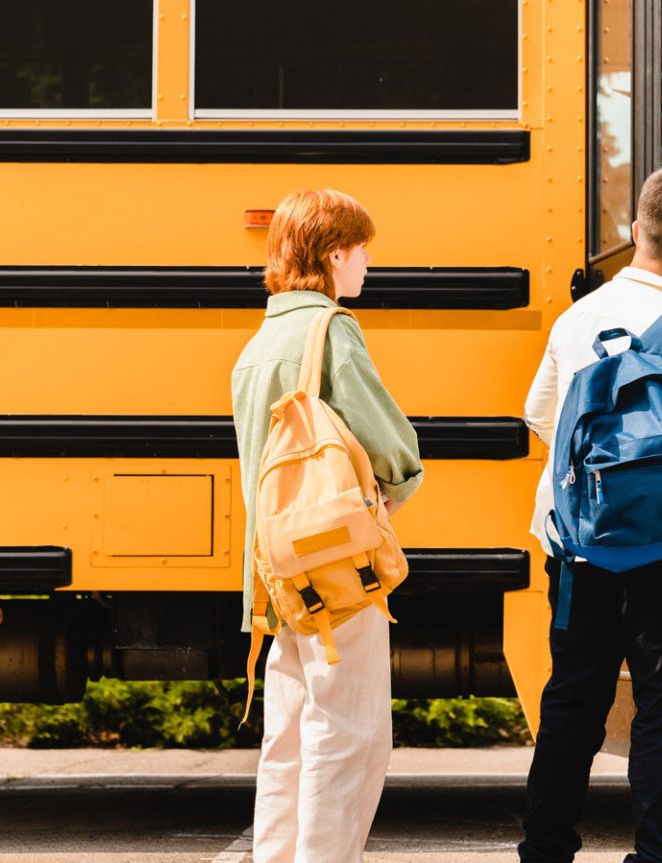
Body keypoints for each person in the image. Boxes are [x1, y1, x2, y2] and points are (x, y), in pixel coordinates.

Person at [520, 168, 662, 863]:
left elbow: (538, 414)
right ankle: (660, 852)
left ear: (636, 231)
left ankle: (547, 846)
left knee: (573, 698)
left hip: (578, 544)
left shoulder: (576, 317)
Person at [231, 188, 424, 863]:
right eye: (362, 248)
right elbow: (391, 442)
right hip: (335, 564)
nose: (368, 262)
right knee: (350, 730)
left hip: (277, 571)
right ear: (333, 252)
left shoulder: (260, 340)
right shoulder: (330, 328)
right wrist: (397, 490)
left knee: (289, 732)